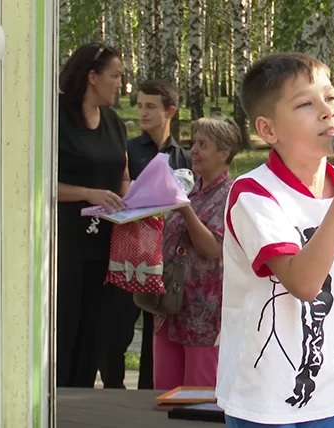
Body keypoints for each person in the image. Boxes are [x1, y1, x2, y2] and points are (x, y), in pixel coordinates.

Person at [216, 52, 334, 428]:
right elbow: (304, 284)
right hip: (260, 398)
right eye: (305, 104)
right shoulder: (254, 194)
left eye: (331, 97)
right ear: (268, 130)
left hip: (324, 397)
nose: (328, 112)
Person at [105, 79, 192, 390]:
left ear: (170, 111)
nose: (142, 112)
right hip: (130, 254)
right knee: (116, 332)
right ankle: (113, 394)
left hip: (165, 260)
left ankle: (149, 392)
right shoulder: (126, 150)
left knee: (157, 333)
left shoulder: (184, 158)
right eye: (140, 105)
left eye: (150, 106)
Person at [56, 42, 131, 388]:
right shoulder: (55, 119)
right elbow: (35, 183)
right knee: (64, 325)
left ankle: (82, 401)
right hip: (64, 245)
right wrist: (86, 193)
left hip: (108, 244)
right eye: (114, 76)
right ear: (92, 77)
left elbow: (123, 175)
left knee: (96, 328)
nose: (120, 83)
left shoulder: (114, 122)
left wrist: (133, 198)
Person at [152, 117, 240, 390]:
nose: (194, 151)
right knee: (164, 392)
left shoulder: (231, 194)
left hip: (204, 316)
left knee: (198, 397)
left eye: (203, 145)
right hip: (170, 307)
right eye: (194, 144)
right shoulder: (190, 186)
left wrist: (185, 210)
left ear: (224, 153)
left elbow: (213, 249)